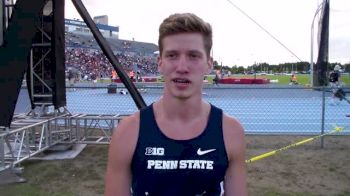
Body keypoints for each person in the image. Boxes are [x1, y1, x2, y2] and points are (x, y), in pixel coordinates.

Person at [105, 13, 247, 196]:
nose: (182, 67)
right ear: (160, 63)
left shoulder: (231, 131)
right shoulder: (128, 132)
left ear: (209, 64)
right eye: (172, 55)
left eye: (193, 56)